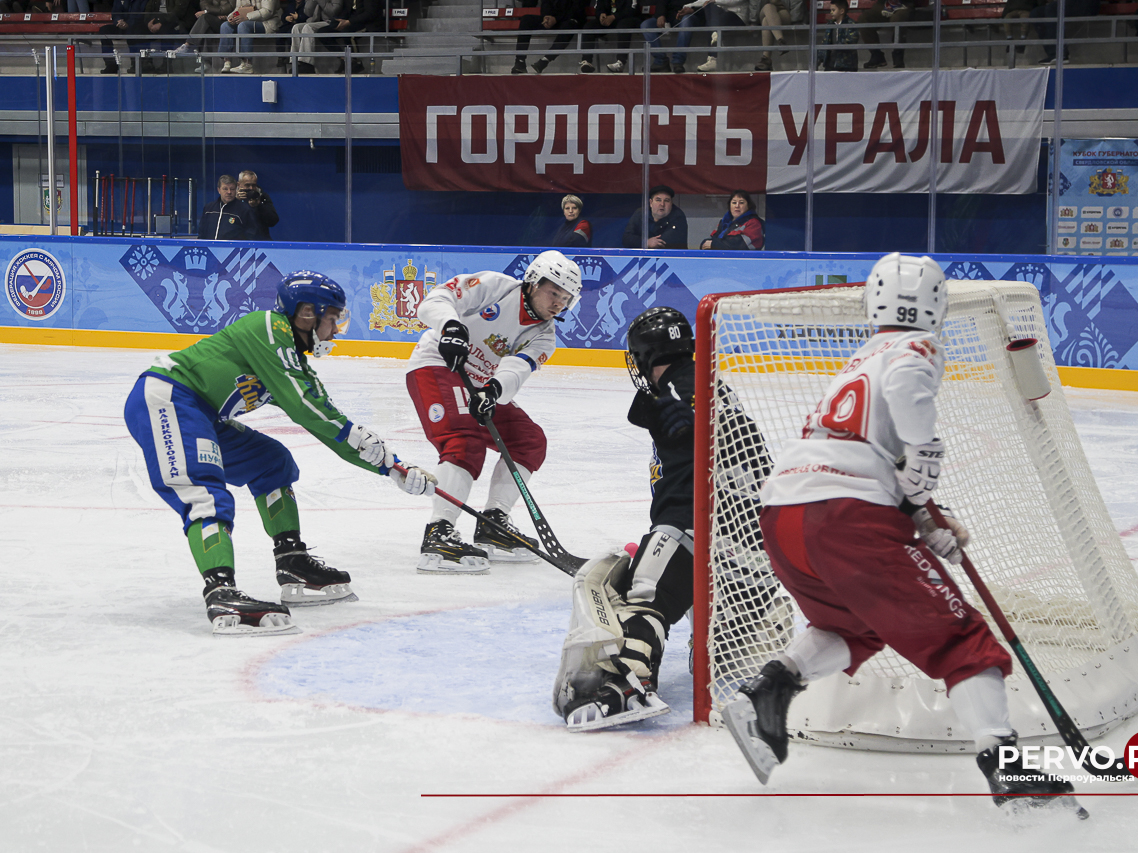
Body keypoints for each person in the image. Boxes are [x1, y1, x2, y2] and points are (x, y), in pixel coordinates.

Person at [722, 254, 1079, 811]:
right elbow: (914, 423)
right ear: (935, 305)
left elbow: (863, 456)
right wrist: (922, 479)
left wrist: (917, 517)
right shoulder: (917, 349)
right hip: (844, 517)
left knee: (860, 626)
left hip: (784, 514)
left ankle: (769, 689)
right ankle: (1011, 773)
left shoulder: (861, 356)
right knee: (963, 641)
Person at [122, 271, 436, 636]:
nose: (335, 329)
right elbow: (308, 409)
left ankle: (292, 561)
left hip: (204, 413)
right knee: (204, 493)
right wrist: (388, 464)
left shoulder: (291, 356)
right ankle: (221, 591)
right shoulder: (270, 328)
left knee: (271, 462)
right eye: (332, 318)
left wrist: (392, 467)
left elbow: (325, 417)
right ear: (306, 313)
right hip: (168, 398)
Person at [552, 307, 696, 729]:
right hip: (749, 537)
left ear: (646, 356)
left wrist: (696, 419)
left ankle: (625, 688)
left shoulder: (679, 388)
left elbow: (686, 413)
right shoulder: (699, 383)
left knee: (644, 594)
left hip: (696, 523)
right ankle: (727, 648)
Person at [405, 250, 583, 574]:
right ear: (533, 281)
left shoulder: (545, 336)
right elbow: (435, 300)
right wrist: (451, 327)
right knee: (464, 440)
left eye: (566, 298)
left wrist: (493, 390)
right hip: (435, 366)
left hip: (478, 384)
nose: (559, 303)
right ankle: (439, 531)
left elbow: (516, 369)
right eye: (554, 292)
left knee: (529, 439)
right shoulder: (495, 286)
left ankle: (493, 522)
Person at [649, 0, 748, 74]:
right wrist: (687, 6)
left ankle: (713, 50)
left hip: (737, 15)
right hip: (718, 17)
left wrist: (714, 1)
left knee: (711, 8)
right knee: (710, 6)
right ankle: (713, 52)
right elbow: (705, 1)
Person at [510, 0, 589, 75]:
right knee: (526, 19)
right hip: (553, 19)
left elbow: (577, 8)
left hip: (571, 19)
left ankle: (545, 60)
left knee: (569, 25)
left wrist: (556, 18)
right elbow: (546, 3)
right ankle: (520, 61)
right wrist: (546, 16)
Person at [217, 0, 283, 74]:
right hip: (246, 20)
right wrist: (232, 16)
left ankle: (247, 64)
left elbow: (267, 11)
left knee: (244, 26)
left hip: (267, 23)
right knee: (225, 26)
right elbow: (238, 9)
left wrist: (247, 17)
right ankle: (227, 62)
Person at [1031, 0, 1101, 65]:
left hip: (1088, 3)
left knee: (1052, 8)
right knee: (1036, 13)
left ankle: (1060, 55)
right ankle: (1052, 54)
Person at [583, 0, 645, 73]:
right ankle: (587, 61)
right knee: (589, 27)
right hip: (610, 19)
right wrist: (601, 14)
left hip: (629, 18)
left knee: (623, 26)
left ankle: (620, 63)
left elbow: (632, 10)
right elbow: (599, 7)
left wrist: (614, 16)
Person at [622, 185, 688, 250]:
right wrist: (646, 242)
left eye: (667, 200)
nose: (662, 204)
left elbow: (668, 242)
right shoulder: (641, 213)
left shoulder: (678, 216)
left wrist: (648, 243)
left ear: (671, 203)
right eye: (658, 200)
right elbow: (626, 238)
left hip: (671, 258)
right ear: (651, 202)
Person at [288, 0, 347, 73]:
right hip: (316, 21)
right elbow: (308, 13)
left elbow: (333, 12)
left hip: (332, 21)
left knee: (308, 27)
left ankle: (307, 64)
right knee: (296, 27)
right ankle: (295, 62)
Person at [197, 174, 260, 240]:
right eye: (225, 189)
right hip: (209, 248)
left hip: (234, 249)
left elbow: (251, 234)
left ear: (236, 190)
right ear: (219, 190)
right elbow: (202, 232)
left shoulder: (244, 210)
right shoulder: (209, 208)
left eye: (232, 189)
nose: (229, 192)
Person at [749, 0, 805, 72]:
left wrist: (796, 21)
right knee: (768, 7)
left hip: (785, 11)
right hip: (764, 11)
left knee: (766, 21)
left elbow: (796, 3)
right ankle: (780, 40)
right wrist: (753, 21)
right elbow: (754, 3)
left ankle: (766, 58)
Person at [699, 190, 765, 250]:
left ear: (748, 206)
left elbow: (738, 245)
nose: (737, 206)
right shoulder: (724, 222)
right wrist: (705, 243)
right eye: (734, 202)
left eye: (741, 203)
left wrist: (713, 244)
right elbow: (711, 239)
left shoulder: (754, 224)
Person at [859, 0, 914, 69]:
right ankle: (876, 55)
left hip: (903, 4)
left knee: (898, 18)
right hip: (883, 4)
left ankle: (898, 54)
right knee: (864, 18)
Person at [99, 0, 149, 74]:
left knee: (133, 31)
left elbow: (141, 15)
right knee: (104, 30)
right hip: (121, 25)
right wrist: (119, 21)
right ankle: (111, 64)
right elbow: (115, 12)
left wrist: (128, 24)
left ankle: (135, 64)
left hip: (136, 26)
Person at [172, 0, 236, 56]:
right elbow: (204, 4)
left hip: (228, 20)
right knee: (206, 28)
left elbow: (229, 8)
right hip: (213, 18)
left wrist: (207, 11)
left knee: (205, 17)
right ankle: (206, 62)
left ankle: (188, 45)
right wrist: (211, 12)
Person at [637, 0, 683, 71]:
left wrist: (691, 9)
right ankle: (661, 60)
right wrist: (660, 15)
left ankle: (678, 61)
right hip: (668, 15)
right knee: (646, 25)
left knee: (687, 21)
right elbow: (661, 2)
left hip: (688, 14)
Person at [237, 170, 280, 240]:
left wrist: (259, 205)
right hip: (239, 241)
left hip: (260, 239)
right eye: (247, 185)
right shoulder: (231, 198)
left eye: (253, 185)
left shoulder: (262, 197)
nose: (251, 188)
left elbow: (273, 221)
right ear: (239, 185)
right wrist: (235, 201)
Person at [817, 0, 859, 71]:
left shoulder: (851, 24)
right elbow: (825, 43)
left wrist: (836, 46)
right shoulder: (830, 25)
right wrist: (818, 59)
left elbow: (852, 41)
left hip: (847, 65)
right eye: (830, 10)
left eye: (833, 10)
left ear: (842, 11)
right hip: (830, 64)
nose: (831, 13)